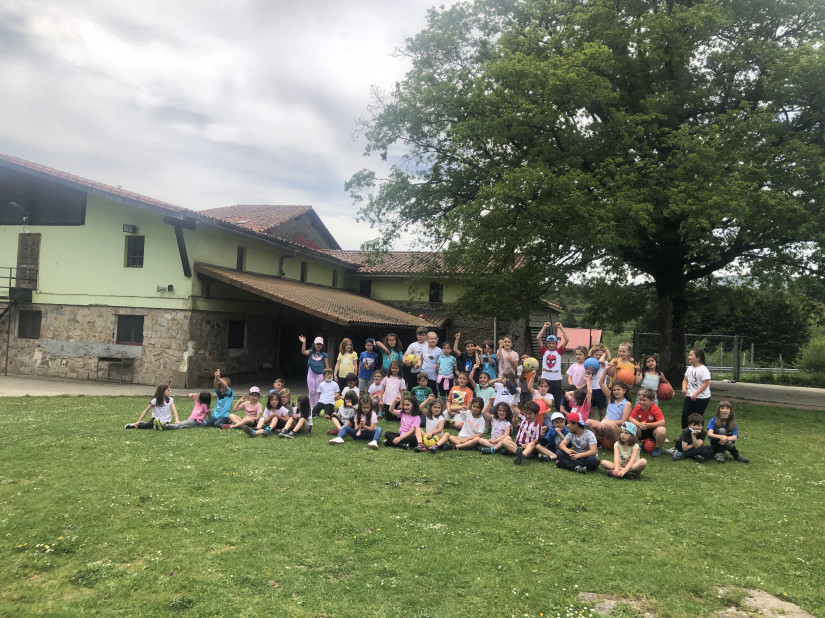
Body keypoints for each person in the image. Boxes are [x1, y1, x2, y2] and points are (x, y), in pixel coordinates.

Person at [587, 370, 632, 450]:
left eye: (618, 389)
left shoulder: (627, 403)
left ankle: (620, 446)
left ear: (624, 391)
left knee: (609, 425)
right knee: (588, 422)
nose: (616, 392)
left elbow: (623, 421)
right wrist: (605, 369)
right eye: (614, 390)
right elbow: (601, 383)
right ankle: (596, 443)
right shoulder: (611, 398)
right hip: (605, 425)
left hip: (618, 428)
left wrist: (608, 423)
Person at [536, 321, 568, 411]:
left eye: (553, 343)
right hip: (545, 379)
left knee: (558, 401)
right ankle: (543, 415)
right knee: (543, 400)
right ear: (546, 344)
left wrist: (561, 328)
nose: (551, 345)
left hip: (556, 379)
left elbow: (567, 340)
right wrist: (544, 327)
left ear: (556, 344)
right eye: (549, 343)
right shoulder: (544, 351)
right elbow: (538, 338)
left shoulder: (559, 352)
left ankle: (559, 416)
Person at [499, 400, 542, 464]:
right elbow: (513, 406)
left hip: (528, 447)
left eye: (530, 414)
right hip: (518, 445)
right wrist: (516, 395)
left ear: (536, 414)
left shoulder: (538, 425)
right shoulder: (523, 417)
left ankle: (521, 456)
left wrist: (527, 445)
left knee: (532, 445)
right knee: (505, 441)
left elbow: (537, 438)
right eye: (526, 413)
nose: (527, 416)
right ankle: (519, 453)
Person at [627, 388, 667, 456]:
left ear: (652, 401)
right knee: (629, 426)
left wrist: (647, 425)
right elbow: (631, 418)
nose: (641, 402)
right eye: (640, 400)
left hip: (653, 431)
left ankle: (657, 448)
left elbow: (662, 422)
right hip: (641, 430)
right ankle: (638, 446)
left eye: (644, 400)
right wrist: (639, 424)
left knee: (662, 430)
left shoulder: (655, 408)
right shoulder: (638, 407)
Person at [681, 348, 711, 428]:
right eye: (689, 355)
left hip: (702, 397)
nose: (689, 357)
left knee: (697, 417)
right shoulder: (689, 368)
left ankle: (696, 433)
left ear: (698, 358)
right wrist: (684, 388)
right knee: (685, 415)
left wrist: (696, 393)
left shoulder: (704, 370)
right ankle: (685, 432)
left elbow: (705, 384)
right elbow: (685, 380)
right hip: (690, 395)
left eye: (691, 355)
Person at [299, 335, 329, 409]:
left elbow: (327, 366)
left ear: (322, 345)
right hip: (311, 373)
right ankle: (310, 407)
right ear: (314, 344)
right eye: (317, 344)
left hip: (320, 374)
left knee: (318, 391)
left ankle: (317, 407)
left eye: (320, 344)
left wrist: (325, 376)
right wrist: (304, 343)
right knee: (312, 391)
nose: (318, 346)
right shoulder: (311, 352)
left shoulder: (324, 354)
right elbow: (303, 352)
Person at [588, 345, 610, 421]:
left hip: (601, 390)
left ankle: (602, 426)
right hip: (591, 390)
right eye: (596, 354)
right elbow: (587, 376)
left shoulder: (605, 363)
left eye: (600, 355)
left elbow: (601, 361)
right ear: (592, 355)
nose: (598, 356)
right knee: (591, 411)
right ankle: (593, 426)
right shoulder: (589, 363)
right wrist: (588, 373)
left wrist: (604, 355)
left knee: (602, 412)